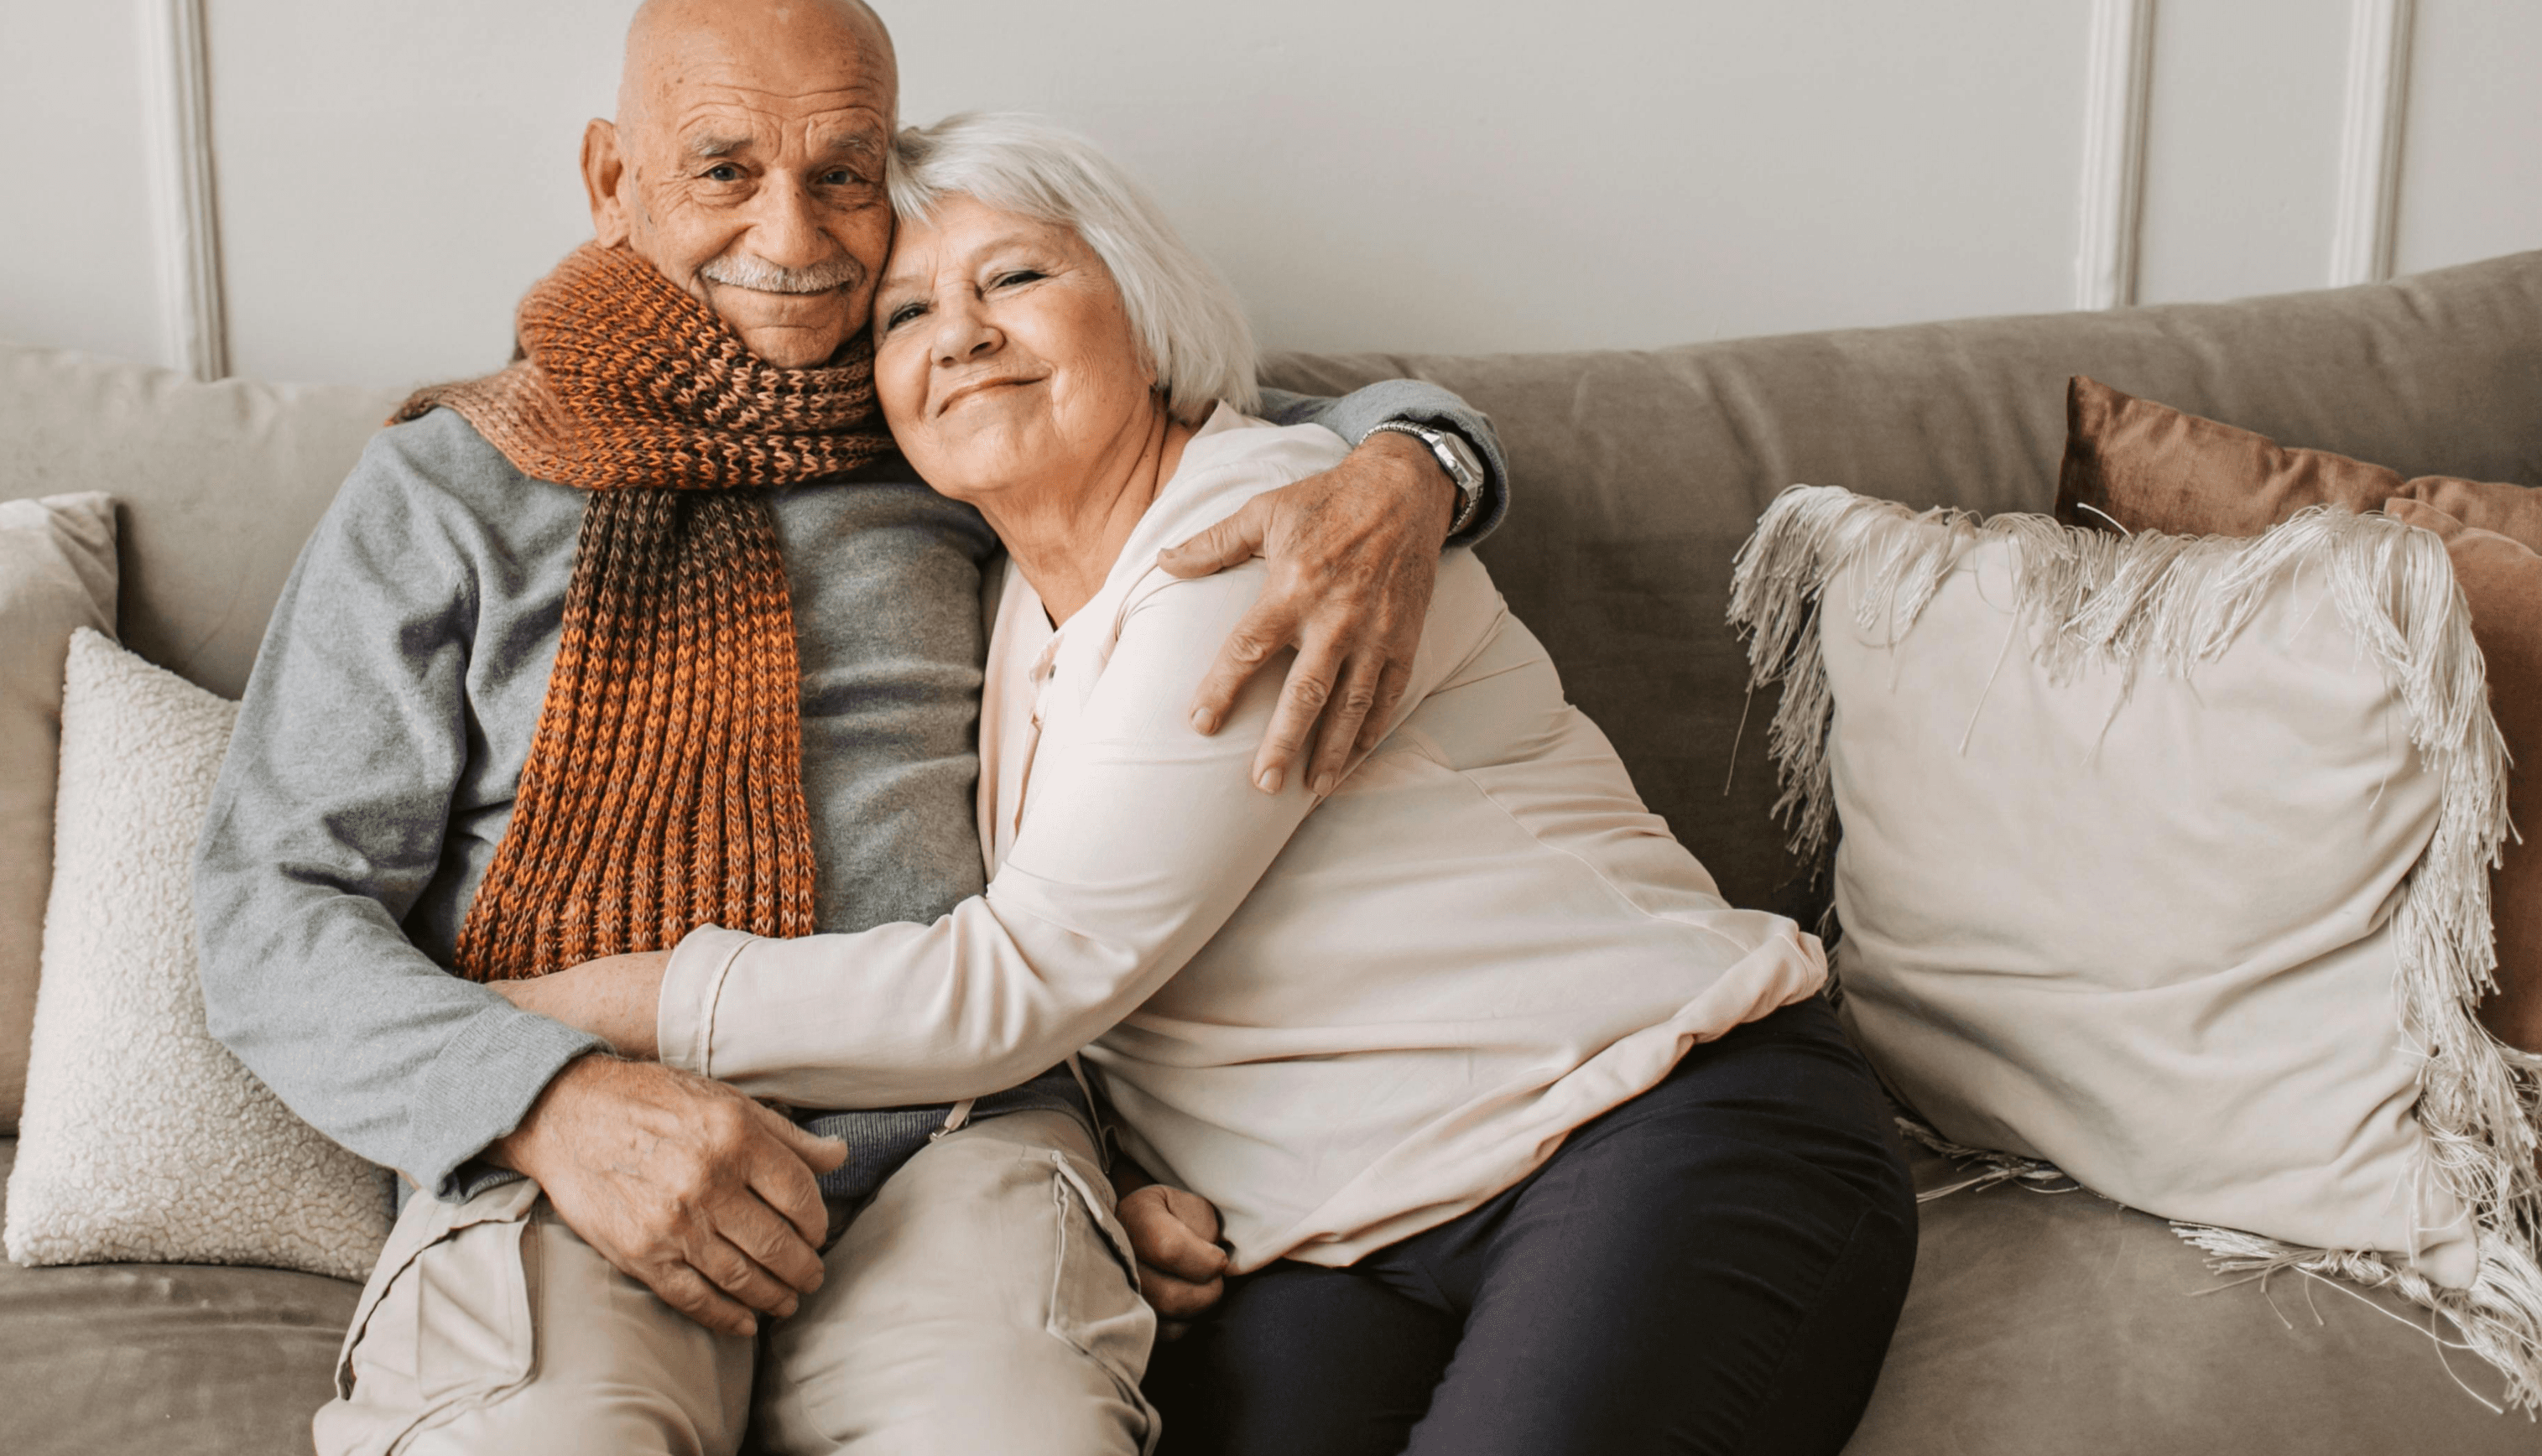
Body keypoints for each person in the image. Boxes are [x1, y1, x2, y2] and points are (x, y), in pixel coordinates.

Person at [191, 0, 1508, 1456]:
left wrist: (1423, 461)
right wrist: (543, 1102)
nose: (794, 236)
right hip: (580, 1137)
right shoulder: (451, 484)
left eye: (843, 176)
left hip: (964, 1137)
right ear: (612, 178)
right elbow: (268, 908)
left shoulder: (952, 419)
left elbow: (1236, 445)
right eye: (726, 172)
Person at [500, 112, 1922, 1456]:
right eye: (905, 315)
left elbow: (1022, 978)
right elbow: (1129, 958)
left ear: (1147, 310)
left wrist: (546, 1014)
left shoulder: (1263, 537)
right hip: (1336, 1238)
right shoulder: (993, 604)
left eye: (1017, 275)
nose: (962, 334)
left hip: (1655, 1122)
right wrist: (1119, 1171)